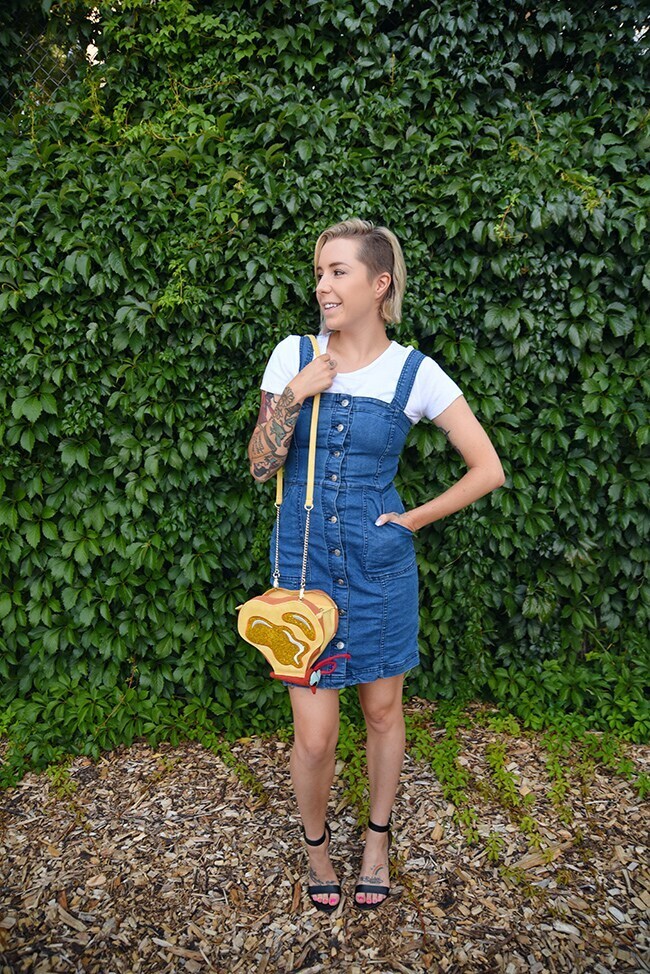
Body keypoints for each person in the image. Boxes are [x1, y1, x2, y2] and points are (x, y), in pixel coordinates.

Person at [247, 218, 505, 912]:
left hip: (379, 567)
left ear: (378, 283)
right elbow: (259, 464)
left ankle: (377, 843)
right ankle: (315, 847)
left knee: (384, 710)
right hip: (302, 573)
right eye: (320, 272)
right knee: (315, 732)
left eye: (338, 272)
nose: (322, 285)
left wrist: (413, 518)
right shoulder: (293, 354)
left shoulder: (414, 372)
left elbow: (488, 468)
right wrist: (298, 392)